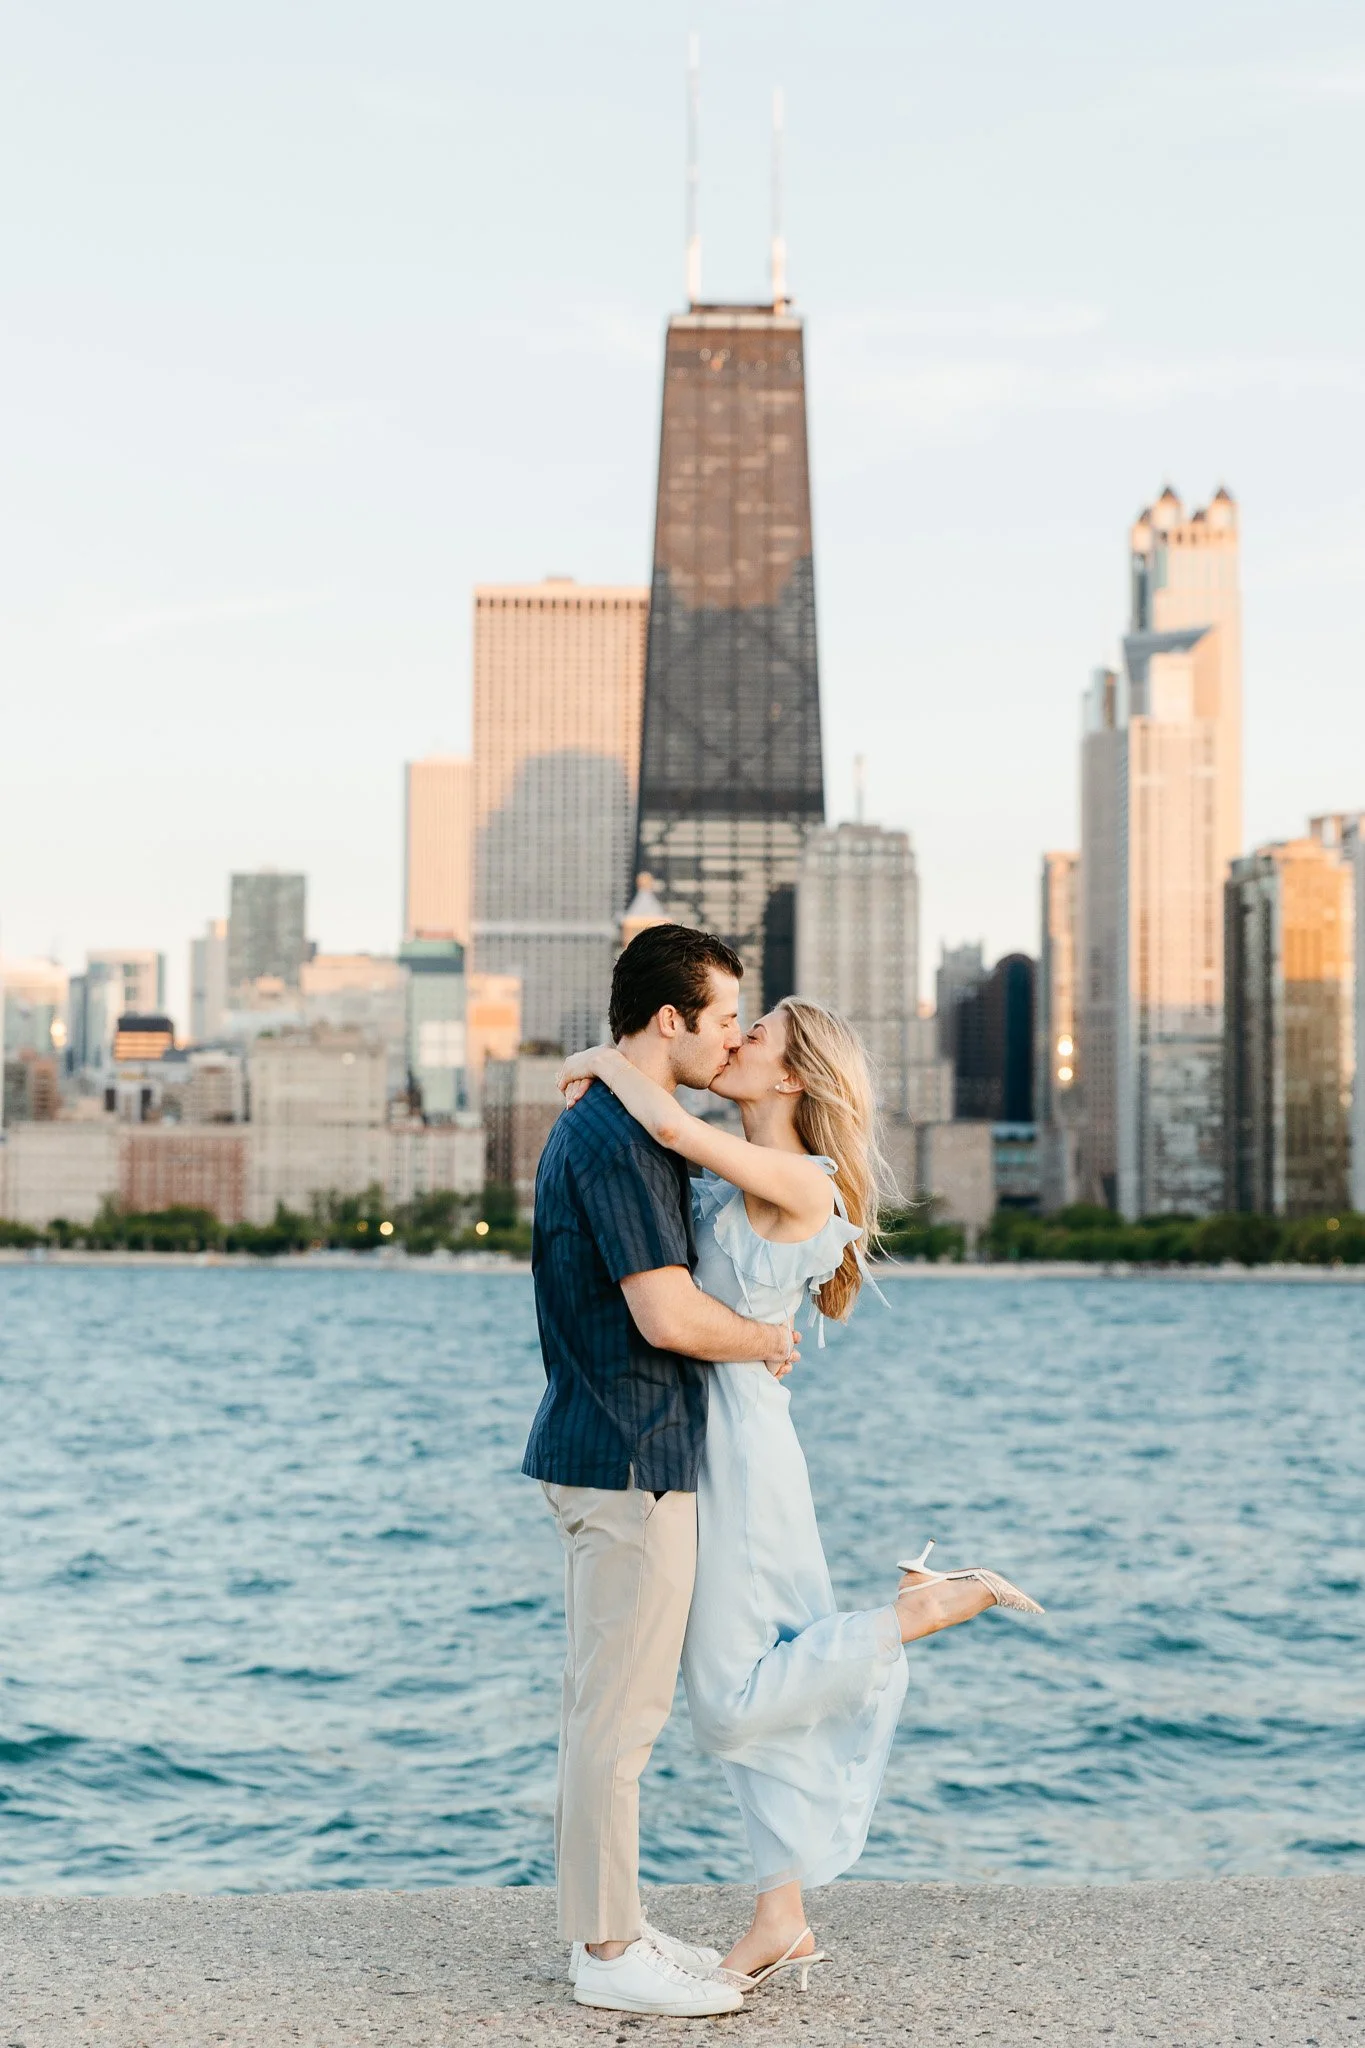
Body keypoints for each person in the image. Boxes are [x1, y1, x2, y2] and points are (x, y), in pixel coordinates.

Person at [556, 986, 1043, 1997]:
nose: (735, 1038)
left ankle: (908, 1615)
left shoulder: (800, 1179)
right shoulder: (739, 1169)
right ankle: (783, 1915)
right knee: (761, 1670)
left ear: (791, 1075)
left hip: (738, 1448)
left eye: (757, 1031)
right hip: (715, 1426)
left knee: (733, 1702)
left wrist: (601, 1060)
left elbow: (666, 1119)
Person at [522, 924, 802, 2019]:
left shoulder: (625, 1125)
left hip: (624, 1445)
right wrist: (762, 1339)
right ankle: (605, 1950)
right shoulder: (614, 1143)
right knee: (618, 1719)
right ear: (671, 1019)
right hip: (628, 1452)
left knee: (609, 1706)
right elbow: (665, 1309)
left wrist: (604, 1061)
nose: (735, 1033)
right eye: (724, 1014)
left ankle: (617, 1923)